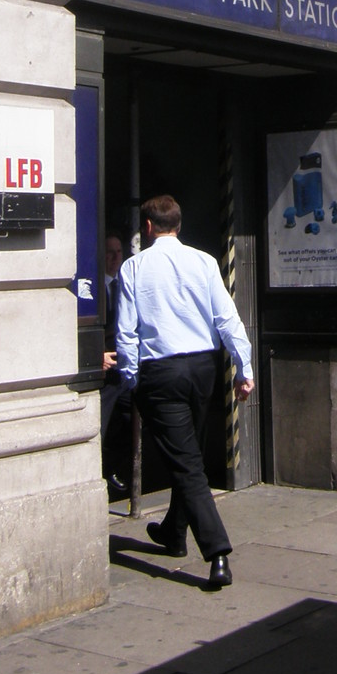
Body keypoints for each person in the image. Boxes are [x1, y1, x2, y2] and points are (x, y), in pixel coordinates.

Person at [115, 194, 254, 589]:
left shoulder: (134, 267)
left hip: (161, 373)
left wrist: (130, 379)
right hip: (202, 369)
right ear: (178, 224)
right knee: (187, 451)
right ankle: (174, 533)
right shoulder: (204, 262)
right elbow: (227, 318)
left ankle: (217, 551)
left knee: (187, 463)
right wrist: (244, 369)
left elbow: (126, 333)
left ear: (147, 228)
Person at [99, 232, 131, 501]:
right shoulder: (92, 289)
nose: (114, 258)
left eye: (118, 253)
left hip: (126, 369)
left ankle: (116, 469)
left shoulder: (128, 286)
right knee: (102, 425)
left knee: (131, 421)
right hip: (103, 372)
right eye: (109, 253)